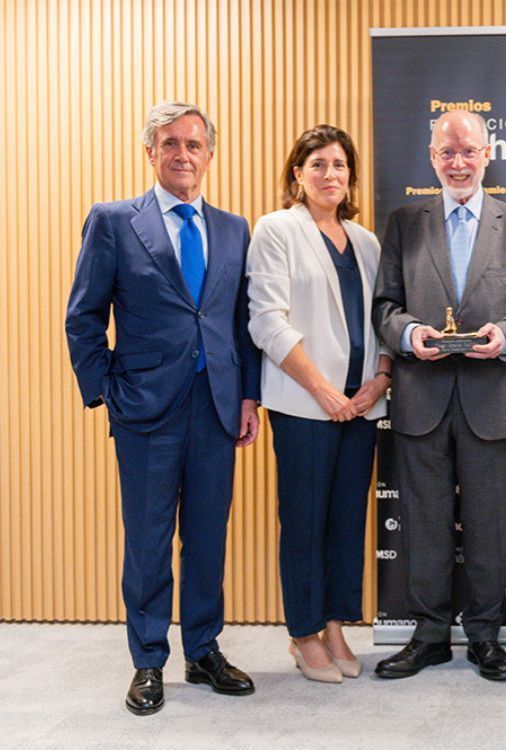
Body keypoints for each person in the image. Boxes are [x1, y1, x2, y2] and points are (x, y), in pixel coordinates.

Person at [65, 102, 261, 715]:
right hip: (145, 410)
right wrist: (106, 391)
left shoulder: (234, 229)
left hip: (216, 407)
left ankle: (203, 650)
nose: (183, 154)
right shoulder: (114, 221)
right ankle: (148, 659)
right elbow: (83, 316)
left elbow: (240, 323)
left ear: (209, 155)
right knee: (148, 540)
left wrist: (248, 395)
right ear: (150, 152)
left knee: (207, 536)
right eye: (170, 143)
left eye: (193, 144)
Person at [372, 110, 506, 681]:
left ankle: (484, 637)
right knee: (424, 523)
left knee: (490, 524)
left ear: (487, 154)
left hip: (492, 399)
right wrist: (408, 334)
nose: (458, 162)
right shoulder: (404, 222)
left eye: (468, 151)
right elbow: (384, 305)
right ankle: (428, 636)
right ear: (432, 157)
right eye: (447, 152)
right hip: (420, 398)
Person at [247, 125, 391, 683]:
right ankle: (304, 634)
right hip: (306, 405)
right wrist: (323, 390)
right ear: (297, 174)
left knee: (346, 521)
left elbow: (382, 320)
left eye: (339, 165)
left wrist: (380, 380)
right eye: (318, 165)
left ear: (351, 176)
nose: (330, 174)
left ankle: (334, 625)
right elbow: (267, 321)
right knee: (305, 520)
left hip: (361, 405)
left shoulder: (366, 241)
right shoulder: (277, 230)